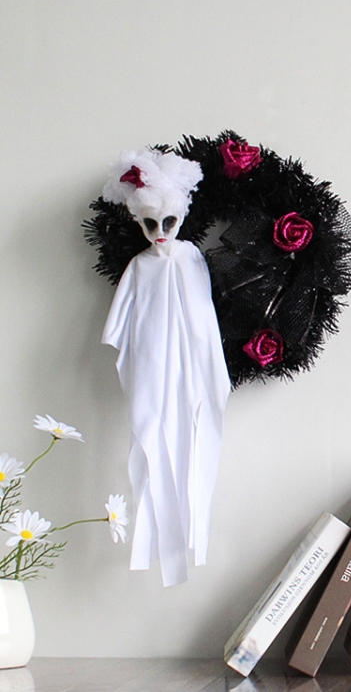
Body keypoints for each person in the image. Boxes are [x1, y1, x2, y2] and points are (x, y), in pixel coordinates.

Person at [101, 149, 231, 587]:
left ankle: (191, 537)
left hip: (192, 365)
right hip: (152, 362)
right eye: (150, 225)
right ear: (139, 223)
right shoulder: (139, 266)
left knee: (195, 433)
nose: (159, 233)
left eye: (168, 223)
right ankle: (157, 539)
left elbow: (204, 315)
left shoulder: (192, 259)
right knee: (152, 432)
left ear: (181, 218)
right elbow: (120, 324)